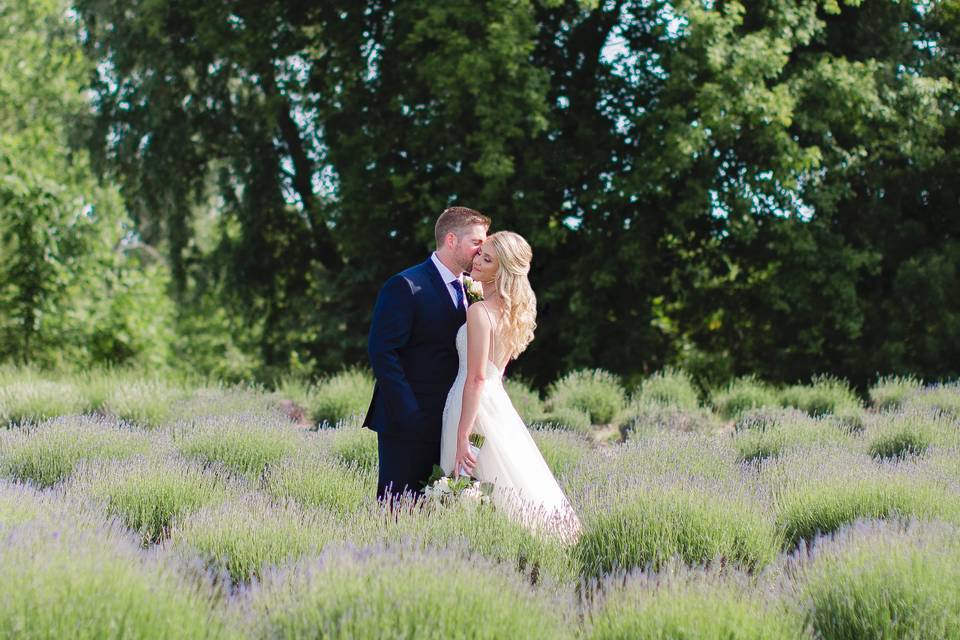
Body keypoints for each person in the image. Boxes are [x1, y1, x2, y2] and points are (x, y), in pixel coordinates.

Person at [440, 231, 581, 541]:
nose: (476, 259)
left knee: (470, 482)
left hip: (473, 406)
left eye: (487, 259)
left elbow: (476, 378)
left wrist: (463, 434)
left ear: (501, 271)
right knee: (503, 484)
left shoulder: (479, 312)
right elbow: (493, 369)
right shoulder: (510, 312)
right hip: (496, 403)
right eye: (480, 253)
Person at [364, 207, 490, 500]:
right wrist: (410, 415)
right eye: (476, 243)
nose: (480, 251)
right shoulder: (406, 286)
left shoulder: (471, 290)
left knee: (441, 509)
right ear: (451, 240)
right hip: (408, 422)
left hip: (451, 421)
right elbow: (383, 353)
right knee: (398, 511)